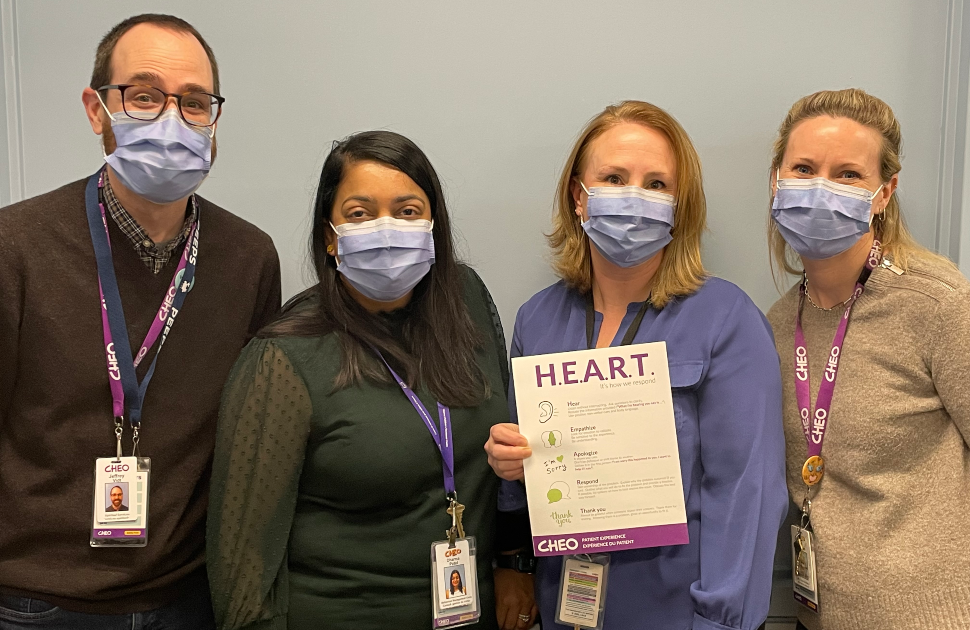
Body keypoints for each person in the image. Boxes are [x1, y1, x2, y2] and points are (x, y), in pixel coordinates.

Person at [0, 14, 281, 630]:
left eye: (195, 102)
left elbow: (248, 438)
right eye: (145, 96)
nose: (172, 120)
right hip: (38, 602)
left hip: (187, 595)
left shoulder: (248, 258)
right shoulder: (14, 245)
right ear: (96, 108)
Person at [207, 130, 536, 630]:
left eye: (407, 211)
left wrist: (513, 559)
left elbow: (498, 455)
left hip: (469, 612)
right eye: (360, 213)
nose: (386, 229)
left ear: (433, 226)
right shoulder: (282, 357)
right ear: (329, 235)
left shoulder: (466, 299)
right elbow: (242, 566)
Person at [485, 100, 789, 630]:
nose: (634, 197)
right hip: (566, 609)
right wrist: (511, 465)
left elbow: (747, 495)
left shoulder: (726, 318)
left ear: (680, 204)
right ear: (580, 197)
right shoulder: (538, 319)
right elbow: (529, 490)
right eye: (614, 177)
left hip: (682, 617)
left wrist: (721, 621)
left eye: (656, 185)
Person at [765, 88, 970, 630]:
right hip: (820, 614)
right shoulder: (778, 325)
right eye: (804, 168)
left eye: (849, 174)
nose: (820, 188)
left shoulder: (939, 304)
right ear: (776, 182)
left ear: (884, 193)